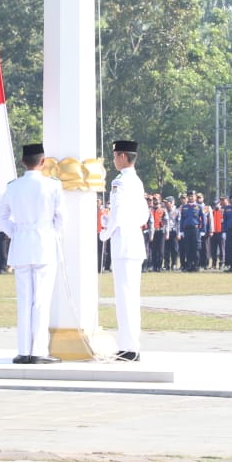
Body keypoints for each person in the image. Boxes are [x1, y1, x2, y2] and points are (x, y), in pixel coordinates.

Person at [0, 142, 64, 365]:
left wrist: (16, 232)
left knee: (24, 301)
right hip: (44, 244)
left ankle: (24, 350)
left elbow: (0, 217)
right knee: (41, 301)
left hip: (22, 245)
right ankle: (39, 351)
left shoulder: (13, 187)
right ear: (43, 162)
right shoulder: (53, 186)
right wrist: (51, 234)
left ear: (23, 162)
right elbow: (61, 218)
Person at [98, 140, 149, 362]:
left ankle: (129, 348)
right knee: (131, 297)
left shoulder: (119, 181)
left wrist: (105, 233)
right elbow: (144, 214)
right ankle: (131, 345)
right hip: (134, 240)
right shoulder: (137, 181)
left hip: (124, 243)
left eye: (115, 155)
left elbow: (117, 213)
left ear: (122, 156)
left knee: (125, 298)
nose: (114, 160)